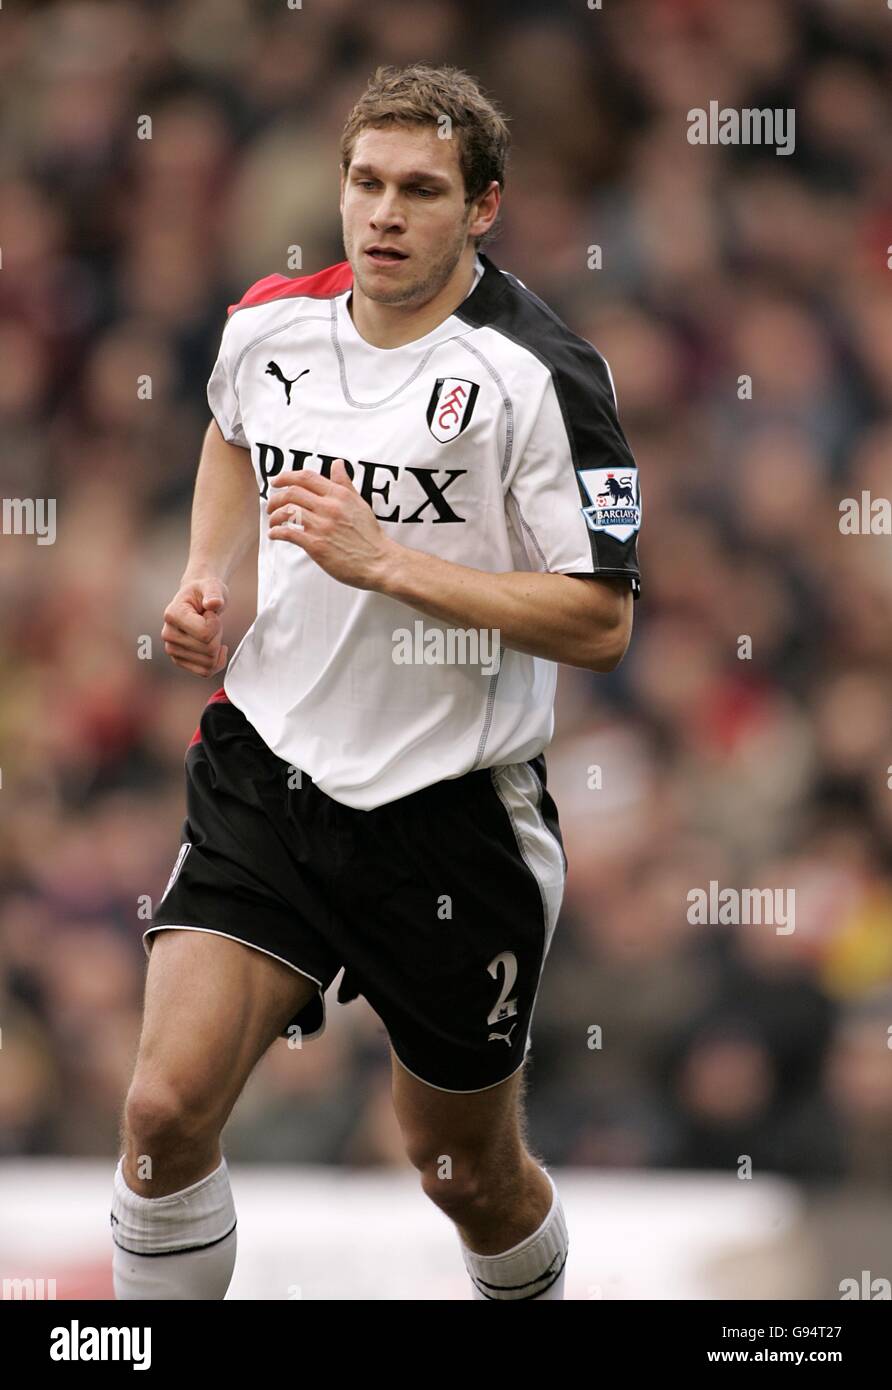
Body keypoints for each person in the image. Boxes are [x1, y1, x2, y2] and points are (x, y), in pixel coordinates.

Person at [110, 62, 641, 1301]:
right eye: (364, 182)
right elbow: (230, 436)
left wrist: (387, 560)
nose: (384, 212)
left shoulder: (541, 375)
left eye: (420, 188)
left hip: (451, 814)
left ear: (484, 206)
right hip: (270, 769)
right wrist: (206, 578)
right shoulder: (268, 323)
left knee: (462, 1170)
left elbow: (600, 619)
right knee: (162, 1110)